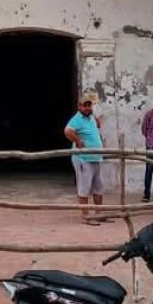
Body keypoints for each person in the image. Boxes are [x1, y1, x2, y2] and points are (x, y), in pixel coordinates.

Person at [63, 94, 106, 226]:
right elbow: (67, 131)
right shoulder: (77, 119)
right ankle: (86, 216)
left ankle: (99, 214)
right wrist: (77, 141)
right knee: (84, 188)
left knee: (99, 187)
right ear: (79, 106)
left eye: (89, 105)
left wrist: (98, 121)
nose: (87, 107)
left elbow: (95, 128)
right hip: (83, 159)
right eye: (85, 105)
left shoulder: (91, 117)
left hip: (95, 158)